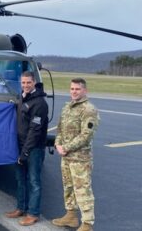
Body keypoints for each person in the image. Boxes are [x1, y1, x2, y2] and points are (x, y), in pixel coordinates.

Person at [52, 78, 99, 231]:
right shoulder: (67, 107)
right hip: (66, 157)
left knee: (83, 189)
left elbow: (86, 135)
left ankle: (87, 223)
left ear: (85, 91)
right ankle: (71, 216)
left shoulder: (89, 109)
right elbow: (59, 129)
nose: (74, 91)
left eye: (77, 89)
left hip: (80, 159)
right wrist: (58, 144)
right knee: (69, 187)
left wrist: (66, 147)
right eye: (72, 88)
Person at [5, 71, 48, 226]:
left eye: (28, 82)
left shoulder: (40, 103)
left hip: (33, 148)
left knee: (34, 181)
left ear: (34, 82)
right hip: (19, 146)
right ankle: (21, 208)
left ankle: (33, 213)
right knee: (20, 179)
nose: (25, 85)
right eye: (23, 83)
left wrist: (25, 152)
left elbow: (35, 131)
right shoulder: (21, 98)